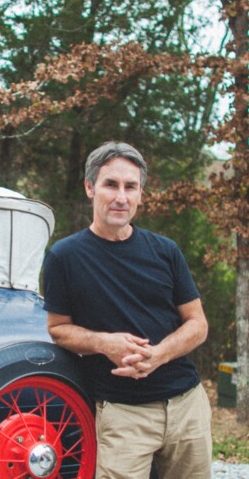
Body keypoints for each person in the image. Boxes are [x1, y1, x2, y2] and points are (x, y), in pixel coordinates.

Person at [42, 141, 212, 479]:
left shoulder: (166, 251)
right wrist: (105, 343)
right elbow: (58, 328)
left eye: (130, 187)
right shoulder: (64, 257)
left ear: (140, 194)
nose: (121, 196)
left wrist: (160, 354)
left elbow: (198, 324)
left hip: (186, 407)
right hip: (122, 415)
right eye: (111, 184)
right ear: (90, 187)